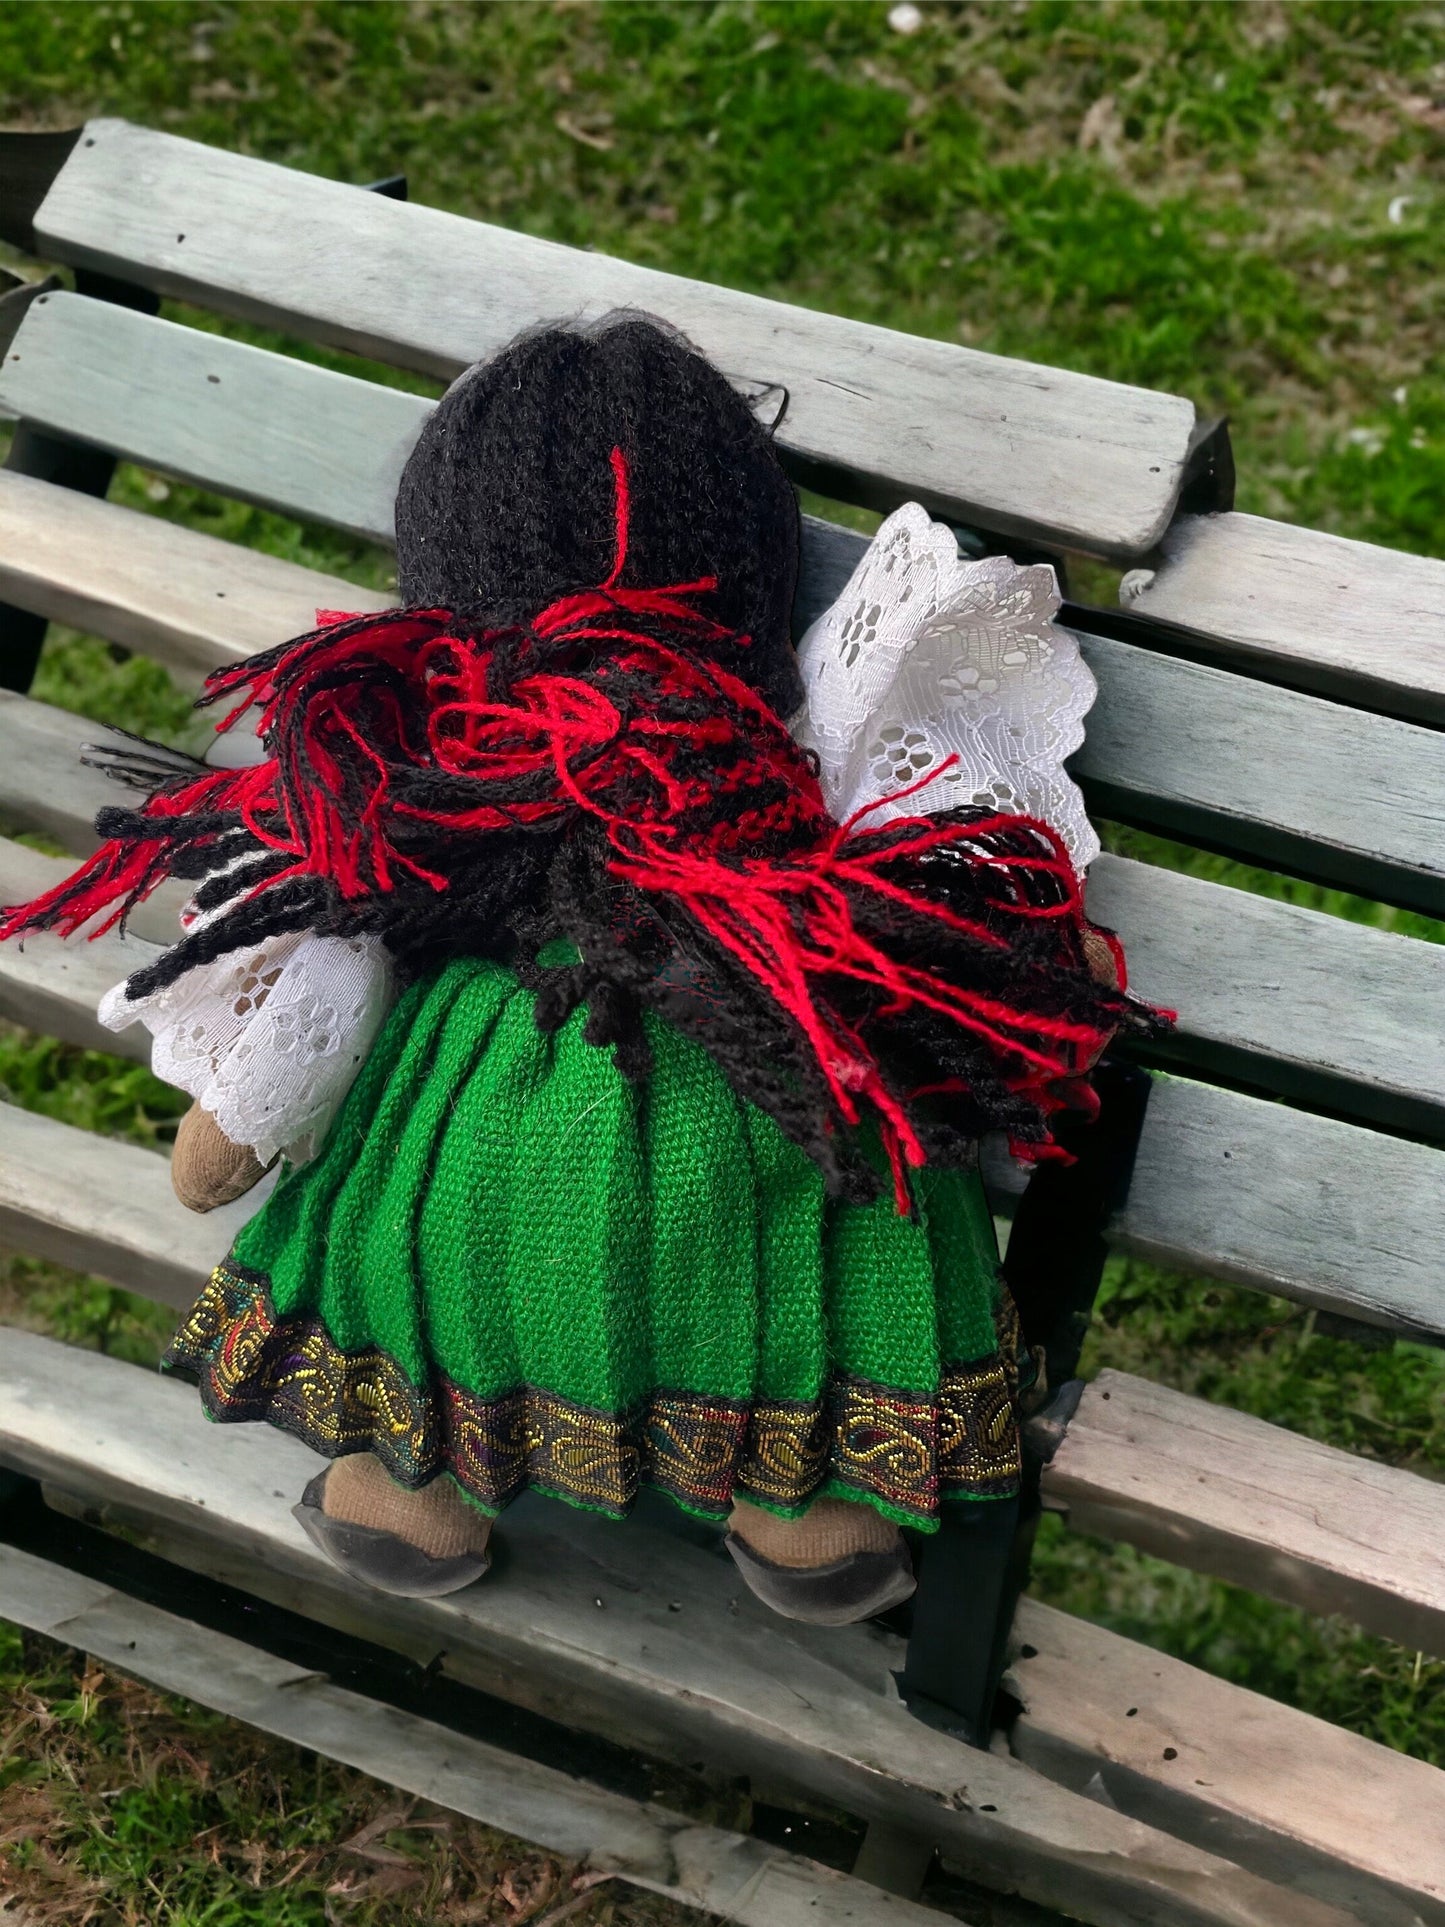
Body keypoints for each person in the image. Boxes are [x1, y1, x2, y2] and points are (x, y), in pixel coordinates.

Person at [2, 313, 1151, 1623]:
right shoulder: (786, 786)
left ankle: (419, 1490)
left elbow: (328, 974)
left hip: (475, 1125)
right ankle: (805, 1512)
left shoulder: (437, 802)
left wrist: (230, 1131)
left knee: (418, 1248)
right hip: (768, 1071)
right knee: (819, 1254)